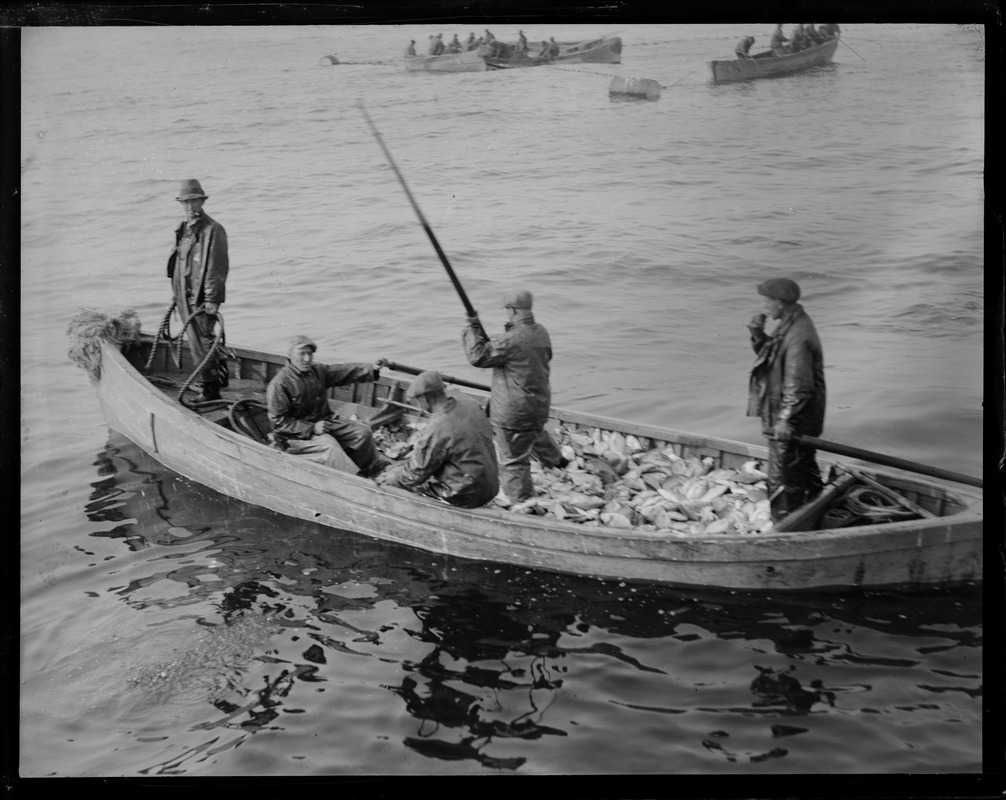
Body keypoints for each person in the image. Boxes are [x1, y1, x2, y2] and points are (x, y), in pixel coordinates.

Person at [462, 289, 566, 503]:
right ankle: (559, 464)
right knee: (534, 433)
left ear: (513, 310)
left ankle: (522, 502)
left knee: (513, 459)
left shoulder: (510, 340)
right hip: (538, 405)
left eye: (507, 311)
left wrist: (472, 327)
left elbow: (478, 357)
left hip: (514, 413)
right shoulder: (541, 332)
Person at [746, 278, 826, 523]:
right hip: (794, 417)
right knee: (802, 471)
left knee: (782, 478)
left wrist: (785, 420)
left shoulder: (798, 336)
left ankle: (785, 528)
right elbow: (772, 359)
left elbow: (799, 386)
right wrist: (758, 334)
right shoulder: (790, 325)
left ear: (779, 303)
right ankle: (816, 514)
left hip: (794, 421)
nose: (764, 306)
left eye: (767, 301)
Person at [266, 335, 389, 477]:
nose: (307, 359)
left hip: (325, 421)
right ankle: (355, 481)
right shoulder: (279, 384)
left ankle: (369, 470)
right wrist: (312, 428)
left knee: (363, 432)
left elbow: (344, 372)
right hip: (294, 437)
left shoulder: (317, 371)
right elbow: (278, 423)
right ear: (290, 355)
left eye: (310, 354)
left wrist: (371, 369)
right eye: (302, 354)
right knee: (330, 446)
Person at [376, 371, 499, 508]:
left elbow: (413, 475)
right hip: (490, 486)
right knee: (401, 468)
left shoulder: (438, 426)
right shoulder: (471, 406)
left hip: (464, 495)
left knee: (392, 479)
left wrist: (392, 476)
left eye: (417, 400)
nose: (418, 404)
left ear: (424, 398)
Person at [167, 179, 229, 402]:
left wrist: (213, 298)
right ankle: (217, 381)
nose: (189, 206)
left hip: (202, 297)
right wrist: (176, 293)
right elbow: (181, 262)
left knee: (203, 341)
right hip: (184, 295)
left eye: (194, 201)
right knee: (197, 342)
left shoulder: (213, 230)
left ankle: (211, 391)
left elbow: (217, 267)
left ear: (202, 201)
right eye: (185, 203)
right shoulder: (184, 228)